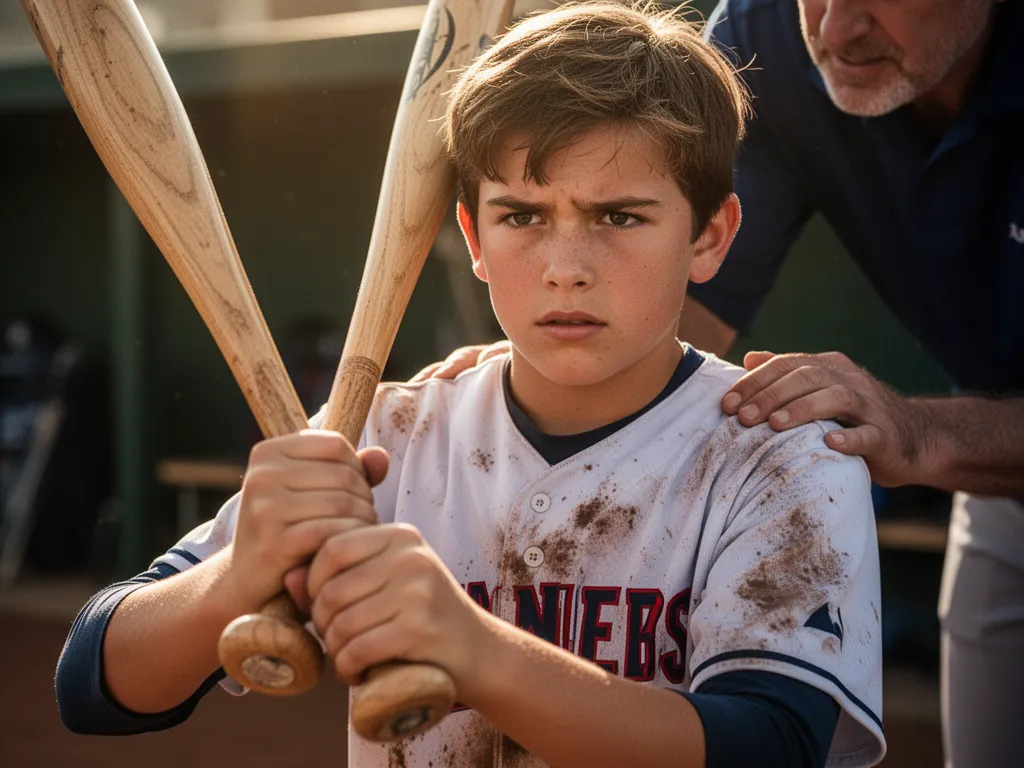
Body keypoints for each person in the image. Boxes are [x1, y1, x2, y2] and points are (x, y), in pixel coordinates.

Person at [54, 4, 886, 766]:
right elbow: (94, 684)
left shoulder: (783, 460)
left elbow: (770, 746)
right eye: (522, 216)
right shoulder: (387, 435)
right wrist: (237, 576)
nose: (566, 269)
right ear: (473, 238)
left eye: (619, 216)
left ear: (710, 237)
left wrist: (478, 654)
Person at [426, 1, 1024, 765]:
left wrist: (934, 433)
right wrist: (544, 369)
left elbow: (769, 744)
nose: (835, 31)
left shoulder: (804, 467)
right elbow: (669, 302)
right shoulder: (765, 38)